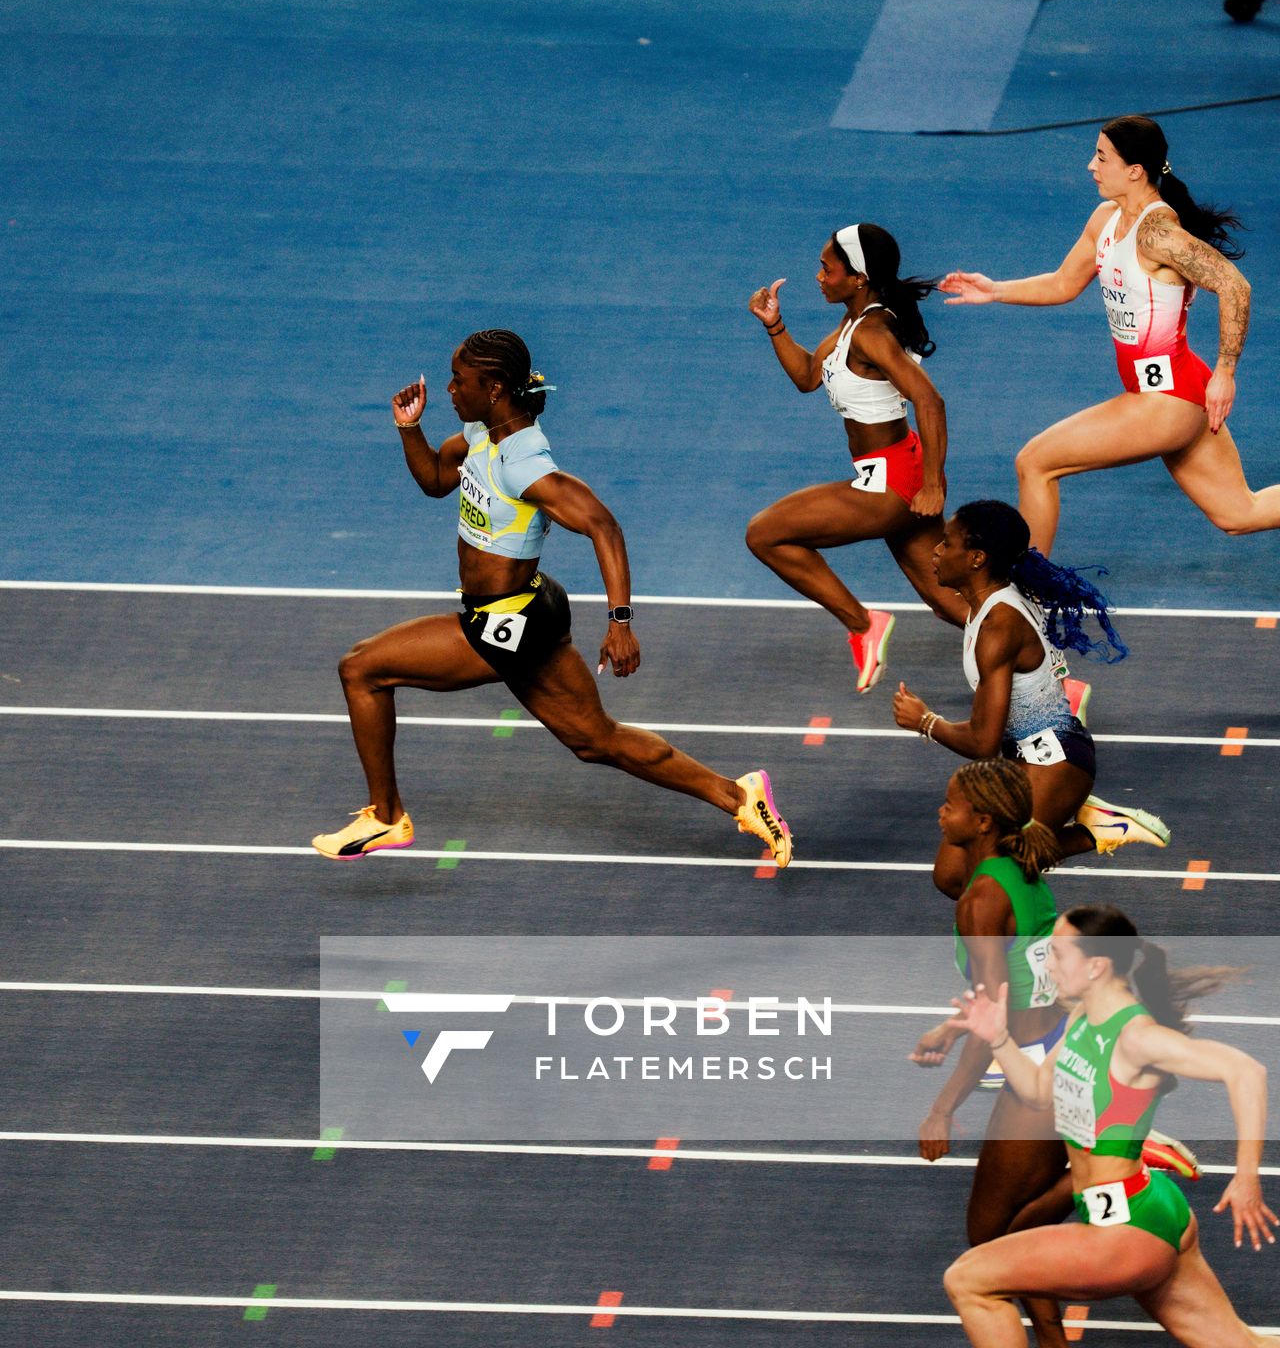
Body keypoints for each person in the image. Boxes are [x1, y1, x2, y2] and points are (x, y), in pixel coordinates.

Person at [312, 329, 792, 866]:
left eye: (459, 380)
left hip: (503, 622)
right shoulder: (480, 434)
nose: (449, 389)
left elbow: (604, 526)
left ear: (494, 388)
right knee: (595, 740)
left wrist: (620, 623)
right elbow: (435, 479)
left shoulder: (525, 465)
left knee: (362, 669)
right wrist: (409, 427)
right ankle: (738, 795)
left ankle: (386, 816)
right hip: (532, 609)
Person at [945, 906, 1277, 1348]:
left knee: (968, 1279)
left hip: (1125, 1229)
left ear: (1097, 965)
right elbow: (1038, 1090)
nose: (1045, 963)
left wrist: (1246, 1176)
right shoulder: (1081, 1020)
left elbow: (1246, 1071)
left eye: (1057, 953)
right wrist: (998, 1038)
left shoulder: (1136, 1035)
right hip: (1147, 1207)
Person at [940, 115, 1280, 550]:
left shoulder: (1159, 234)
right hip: (1175, 391)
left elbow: (1235, 286)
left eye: (1102, 158)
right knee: (1239, 513)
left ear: (1135, 171)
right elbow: (1063, 284)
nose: (1091, 166)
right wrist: (995, 290)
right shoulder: (1105, 219)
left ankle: (1029, 589)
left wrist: (1226, 372)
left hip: (1166, 399)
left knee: (1036, 462)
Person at [911, 761, 1085, 1348]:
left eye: (951, 804)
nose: (941, 811)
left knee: (990, 1238)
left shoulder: (981, 901)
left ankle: (1101, 1178)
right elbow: (1017, 985)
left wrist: (943, 1108)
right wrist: (951, 1027)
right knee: (1012, 1228)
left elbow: (995, 1022)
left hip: (1038, 1068)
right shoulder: (1021, 864)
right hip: (1069, 1046)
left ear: (982, 821)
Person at [891, 500, 1168, 877]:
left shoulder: (999, 628)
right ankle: (1090, 826)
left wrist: (925, 721)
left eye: (947, 543)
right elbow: (941, 605)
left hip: (1055, 761)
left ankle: (1094, 832)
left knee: (988, 874)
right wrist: (892, 534)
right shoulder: (991, 599)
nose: (936, 552)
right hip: (1021, 757)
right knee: (950, 876)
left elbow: (983, 743)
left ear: (977, 558)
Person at [745, 224, 964, 694]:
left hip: (891, 483)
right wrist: (775, 325)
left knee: (764, 534)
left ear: (859, 277)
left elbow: (930, 401)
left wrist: (933, 485)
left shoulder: (871, 332)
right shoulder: (855, 321)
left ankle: (863, 625)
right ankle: (1055, 677)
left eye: (827, 269)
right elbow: (808, 376)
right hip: (899, 469)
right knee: (952, 603)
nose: (819, 277)